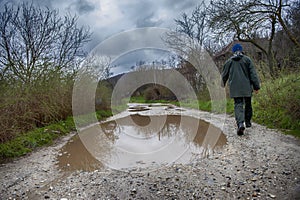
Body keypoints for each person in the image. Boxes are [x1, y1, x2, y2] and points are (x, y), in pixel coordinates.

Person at [221, 43, 260, 135]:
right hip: (246, 87)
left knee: (238, 104)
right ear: (242, 50)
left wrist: (222, 84)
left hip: (235, 88)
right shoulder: (247, 60)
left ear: (233, 52)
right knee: (248, 104)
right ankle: (248, 122)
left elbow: (224, 75)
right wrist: (256, 86)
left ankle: (240, 124)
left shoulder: (229, 62)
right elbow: (253, 74)